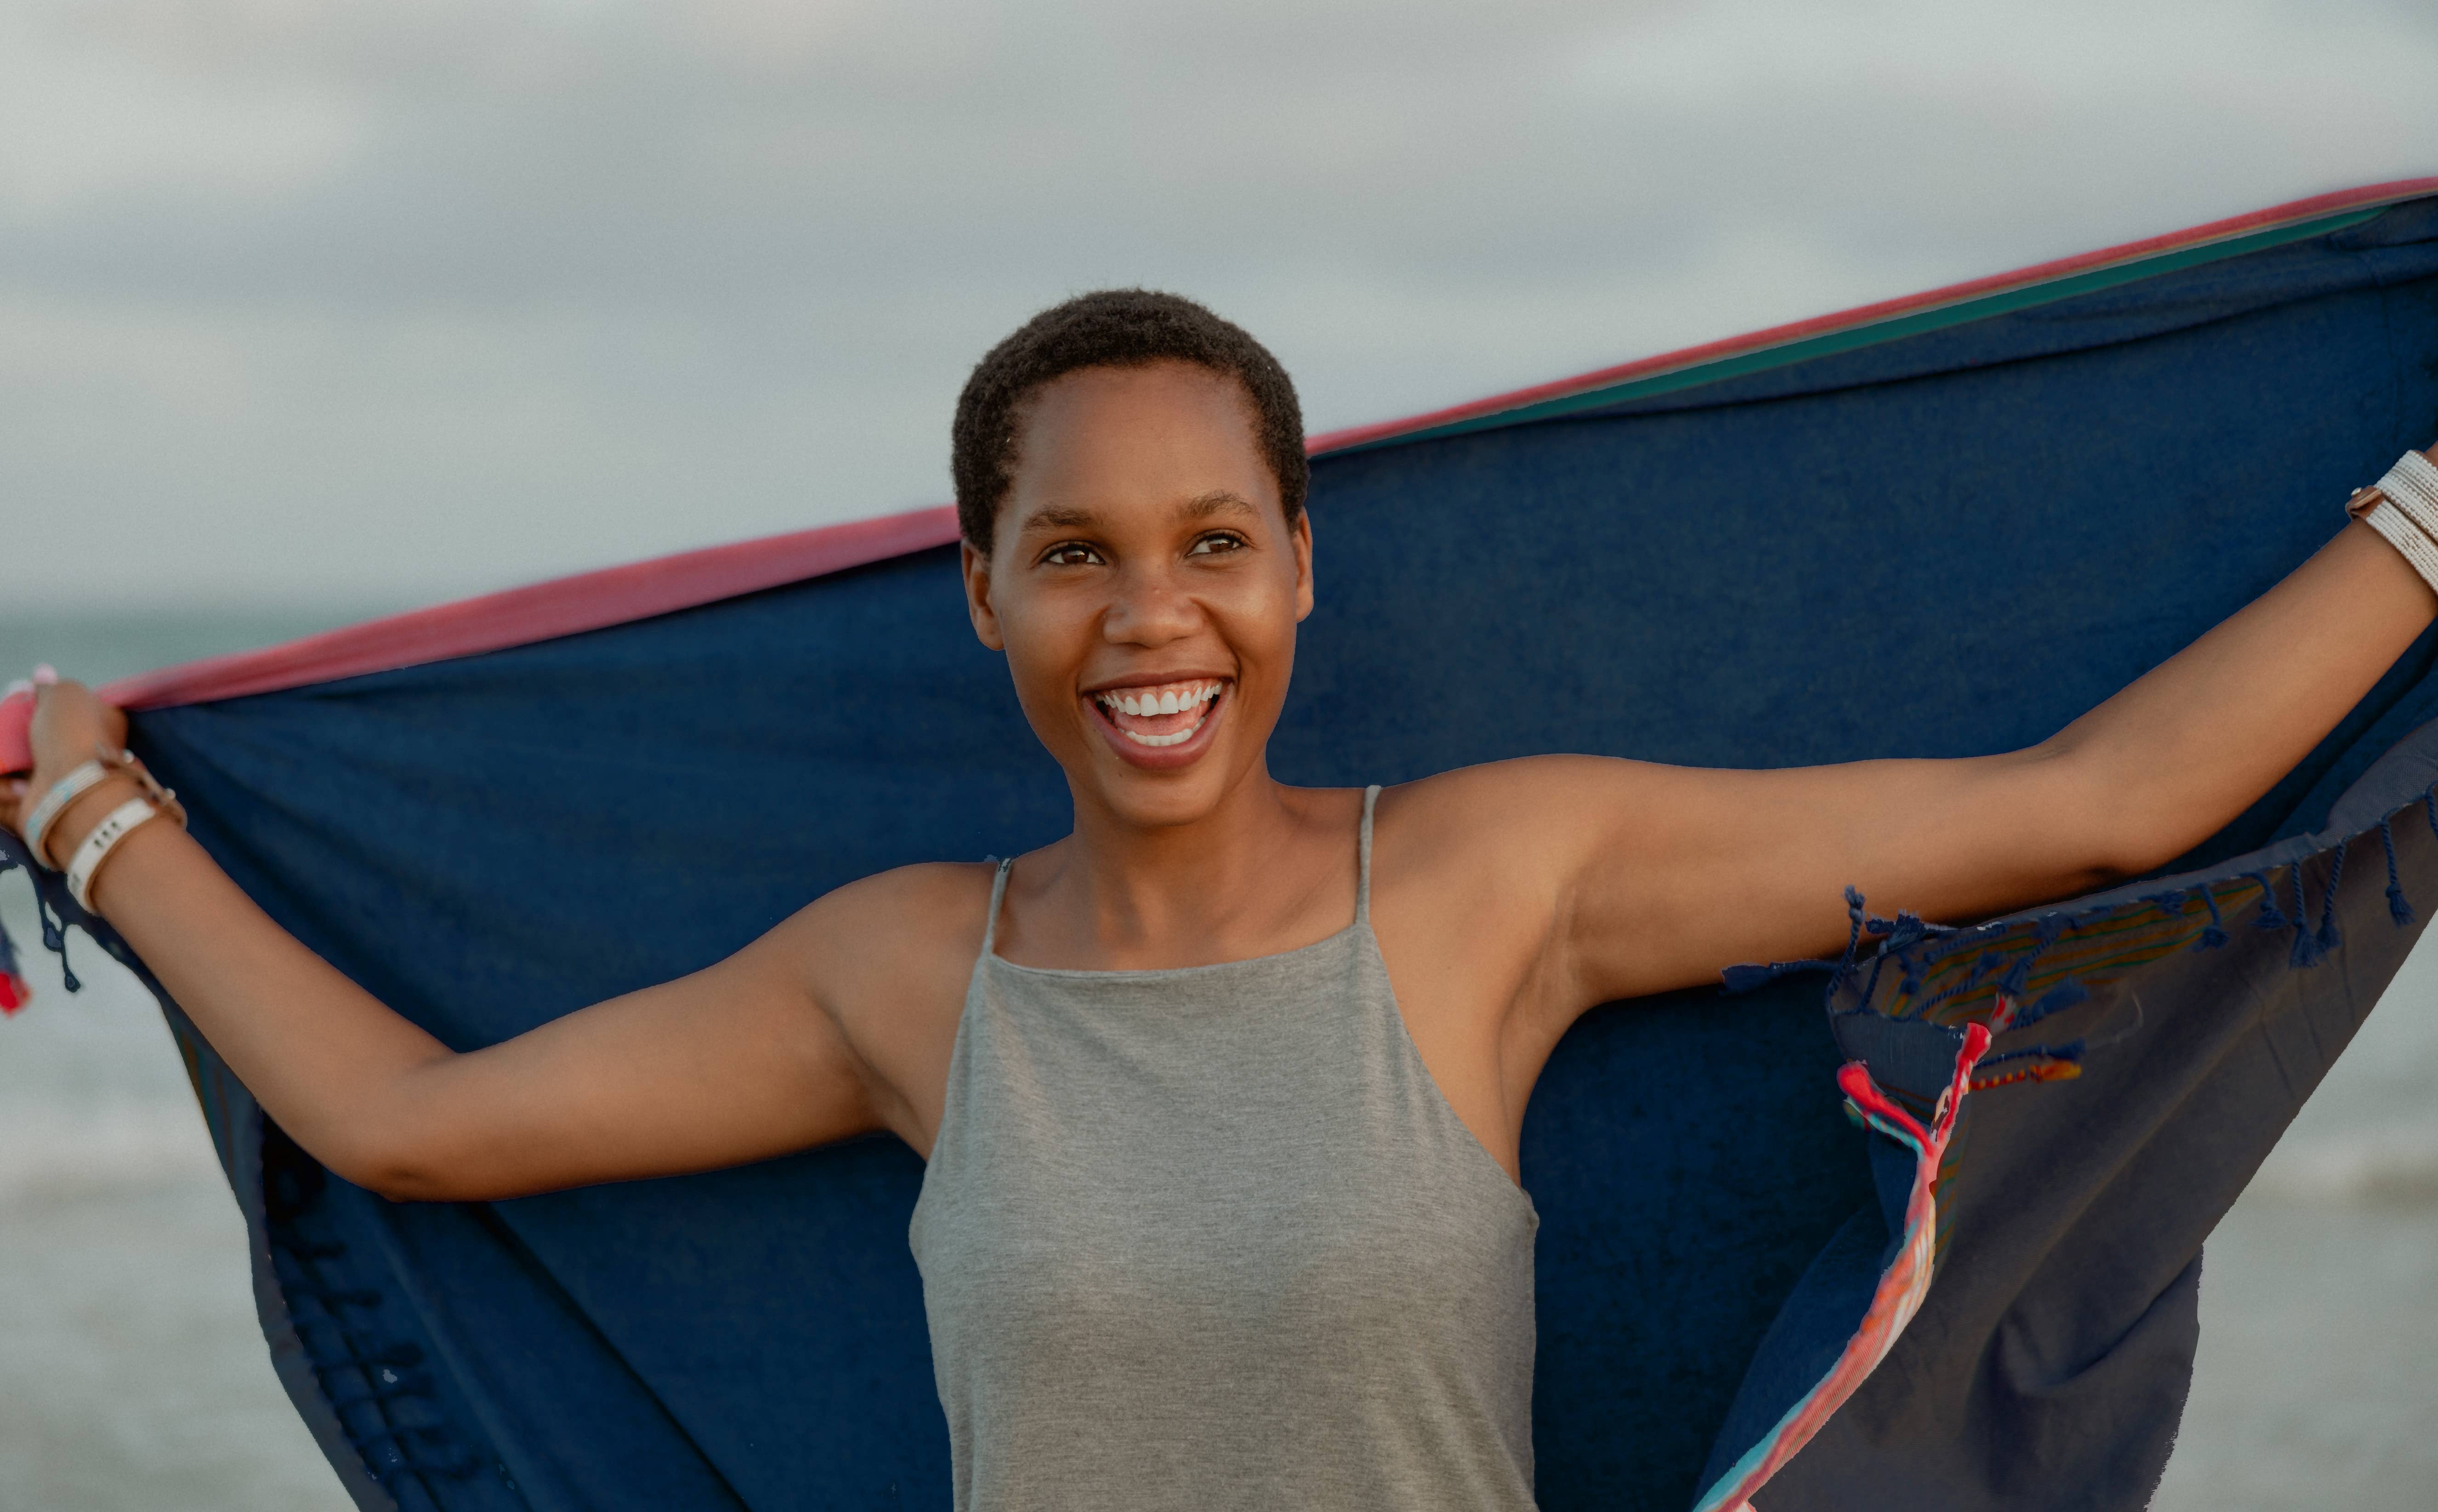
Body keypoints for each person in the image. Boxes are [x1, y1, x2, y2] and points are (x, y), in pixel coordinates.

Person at [7, 289, 2437, 1512]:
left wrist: (2432, 512)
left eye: (1208, 545)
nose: (1147, 611)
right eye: (1075, 552)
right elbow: (417, 1122)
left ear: (1295, 578)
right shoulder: (903, 973)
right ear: (982, 596)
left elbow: (2103, 800)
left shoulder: (1500, 882)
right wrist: (93, 818)